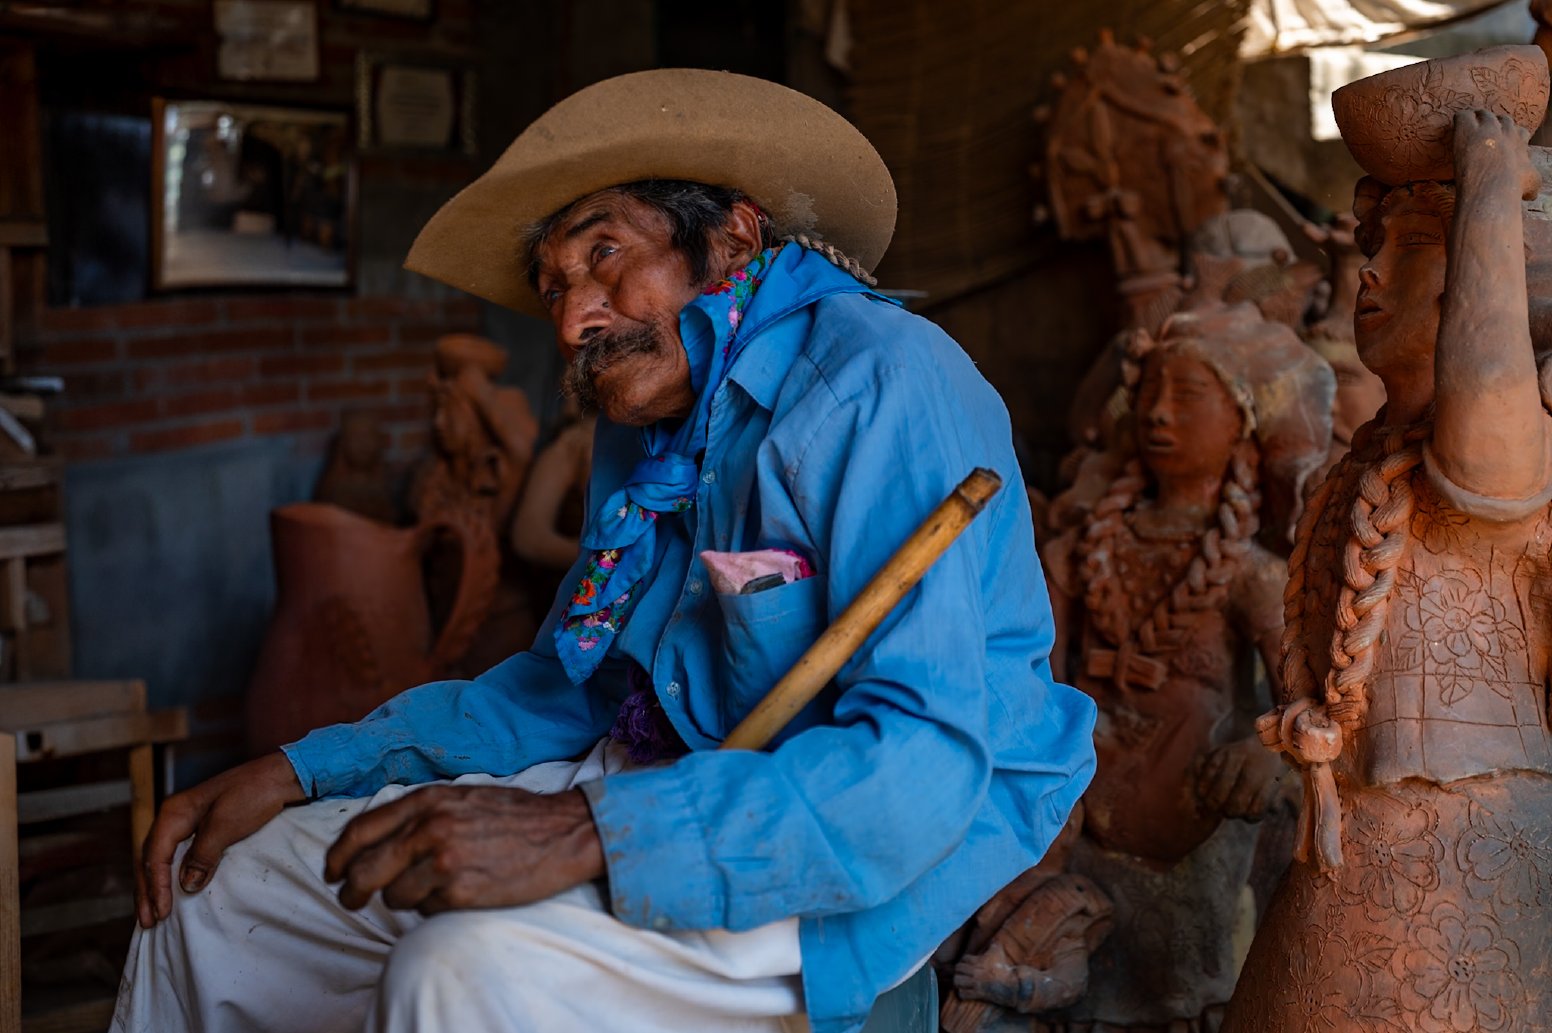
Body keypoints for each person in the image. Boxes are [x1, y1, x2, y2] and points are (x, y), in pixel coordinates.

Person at [113, 68, 1096, 1033]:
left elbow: (920, 771)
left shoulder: (878, 384)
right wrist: (305, 767)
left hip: (840, 831)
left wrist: (582, 830)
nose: (573, 317)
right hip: (652, 776)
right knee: (217, 897)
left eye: (605, 253)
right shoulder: (650, 424)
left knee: (455, 970)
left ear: (733, 237)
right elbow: (569, 690)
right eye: (554, 287)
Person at [1224, 105, 1552, 1029]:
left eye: (1411, 248)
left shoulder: (1519, 448)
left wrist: (1490, 182)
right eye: (1376, 246)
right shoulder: (1365, 462)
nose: (1369, 273)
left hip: (1465, 867)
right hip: (1349, 863)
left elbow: (1484, 424)